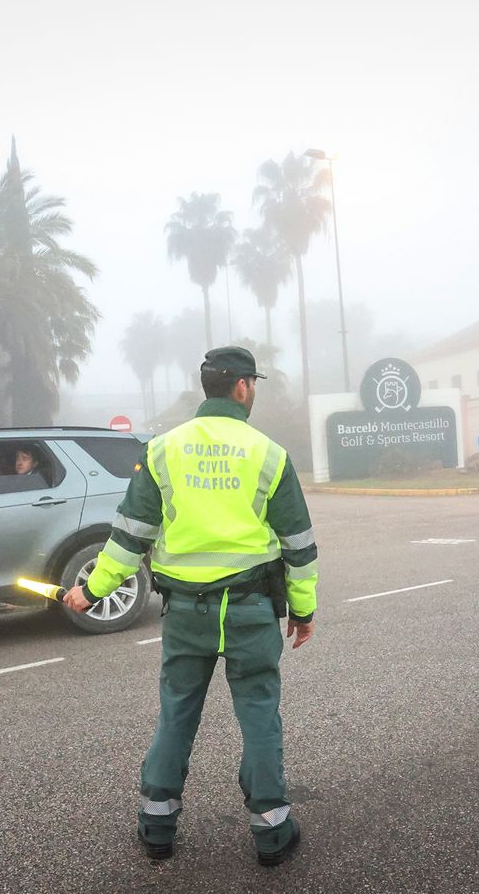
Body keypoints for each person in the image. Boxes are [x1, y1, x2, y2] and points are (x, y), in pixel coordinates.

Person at [64, 346, 318, 867]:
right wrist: (303, 610)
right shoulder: (269, 454)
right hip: (249, 611)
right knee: (259, 716)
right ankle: (271, 832)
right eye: (255, 385)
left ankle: (157, 826)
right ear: (244, 387)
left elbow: (130, 535)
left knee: (177, 714)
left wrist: (90, 591)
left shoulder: (162, 450)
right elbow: (299, 544)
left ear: (208, 387)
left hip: (185, 614)